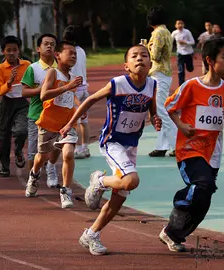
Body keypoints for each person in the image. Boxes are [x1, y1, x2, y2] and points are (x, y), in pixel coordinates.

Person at [60, 44, 162, 255]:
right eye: (134, 56)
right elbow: (90, 99)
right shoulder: (118, 84)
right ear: (126, 65)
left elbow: (152, 106)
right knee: (132, 180)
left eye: (144, 56)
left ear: (150, 64)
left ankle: (91, 234)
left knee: (121, 195)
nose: (140, 59)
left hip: (131, 145)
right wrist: (71, 123)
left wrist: (155, 117)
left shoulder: (152, 84)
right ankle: (99, 180)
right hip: (112, 142)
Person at [161, 38, 224, 252]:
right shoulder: (192, 86)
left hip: (213, 154)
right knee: (203, 186)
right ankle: (179, 201)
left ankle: (173, 233)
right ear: (210, 60)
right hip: (189, 150)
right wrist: (181, 125)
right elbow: (169, 106)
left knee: (204, 199)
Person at [25, 41, 83, 209]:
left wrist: (80, 106)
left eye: (75, 54)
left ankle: (66, 191)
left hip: (67, 125)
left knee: (69, 154)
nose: (73, 56)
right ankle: (34, 175)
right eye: (69, 53)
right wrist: (67, 87)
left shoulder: (72, 78)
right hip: (49, 123)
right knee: (42, 157)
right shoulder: (52, 73)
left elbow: (72, 96)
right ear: (58, 55)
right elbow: (43, 95)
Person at [21, 33, 60, 187]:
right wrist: (42, 89)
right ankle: (33, 180)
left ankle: (51, 168)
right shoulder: (33, 68)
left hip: (57, 116)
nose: (49, 46)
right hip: (36, 115)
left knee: (56, 146)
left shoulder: (60, 68)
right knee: (33, 151)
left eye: (52, 44)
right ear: (38, 48)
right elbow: (24, 92)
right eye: (45, 44)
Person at [0, 35, 31, 177]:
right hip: (6, 104)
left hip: (22, 103)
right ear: (3, 51)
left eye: (14, 50)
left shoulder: (26, 65)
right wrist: (9, 82)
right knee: (4, 138)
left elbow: (33, 82)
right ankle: (4, 165)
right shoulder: (0, 69)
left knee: (22, 131)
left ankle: (18, 150)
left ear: (19, 51)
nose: (11, 53)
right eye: (8, 50)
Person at [146, 5, 177, 158]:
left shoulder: (158, 33)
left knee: (161, 110)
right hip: (164, 73)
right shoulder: (167, 32)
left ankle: (176, 144)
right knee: (160, 109)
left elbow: (155, 56)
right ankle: (162, 145)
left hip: (159, 72)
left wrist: (145, 47)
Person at [63, 25, 91, 159]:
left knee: (77, 121)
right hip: (84, 87)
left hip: (75, 89)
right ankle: (85, 147)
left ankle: (78, 148)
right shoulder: (82, 51)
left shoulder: (68, 52)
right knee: (85, 121)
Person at [171, 20, 195, 86]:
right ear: (175, 25)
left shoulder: (187, 32)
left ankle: (190, 67)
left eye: (181, 24)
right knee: (181, 71)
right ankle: (181, 86)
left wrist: (185, 42)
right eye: (178, 24)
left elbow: (193, 42)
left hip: (188, 53)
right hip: (180, 53)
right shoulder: (174, 33)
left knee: (190, 69)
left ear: (183, 25)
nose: (180, 25)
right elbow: (170, 41)